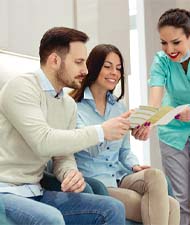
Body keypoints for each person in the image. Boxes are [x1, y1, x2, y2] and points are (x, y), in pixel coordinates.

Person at [0, 27, 130, 225]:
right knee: (52, 219)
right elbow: (43, 141)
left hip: (36, 191)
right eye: (78, 62)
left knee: (112, 208)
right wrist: (100, 131)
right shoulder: (21, 88)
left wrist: (69, 173)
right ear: (54, 60)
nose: (85, 70)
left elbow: (62, 155)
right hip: (5, 191)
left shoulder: (67, 104)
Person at [71, 44, 180, 225]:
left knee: (156, 176)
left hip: (120, 176)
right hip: (96, 182)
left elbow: (124, 151)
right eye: (108, 66)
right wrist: (107, 131)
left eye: (118, 68)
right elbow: (87, 148)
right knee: (171, 207)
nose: (114, 72)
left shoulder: (119, 107)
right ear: (93, 67)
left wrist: (134, 165)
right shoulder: (74, 107)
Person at [147, 8, 190, 225]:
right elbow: (155, 99)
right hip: (172, 133)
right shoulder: (161, 61)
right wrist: (148, 121)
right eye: (164, 43)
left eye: (176, 42)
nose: (169, 49)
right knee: (181, 199)